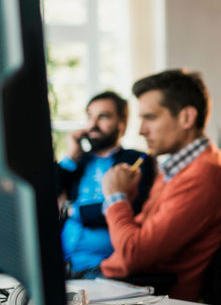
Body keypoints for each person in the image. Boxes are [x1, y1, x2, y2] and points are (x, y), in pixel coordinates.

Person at [99, 70, 221, 303]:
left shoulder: (203, 173)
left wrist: (116, 197)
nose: (141, 130)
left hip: (148, 298)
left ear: (186, 117)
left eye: (150, 117)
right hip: (127, 286)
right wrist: (127, 197)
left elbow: (134, 254)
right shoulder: (177, 167)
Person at [56, 91, 156, 278]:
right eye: (90, 117)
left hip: (102, 269)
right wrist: (70, 156)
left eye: (103, 116)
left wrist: (72, 211)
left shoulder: (135, 161)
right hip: (61, 266)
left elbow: (125, 206)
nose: (93, 125)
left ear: (122, 124)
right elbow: (46, 192)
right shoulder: (79, 161)